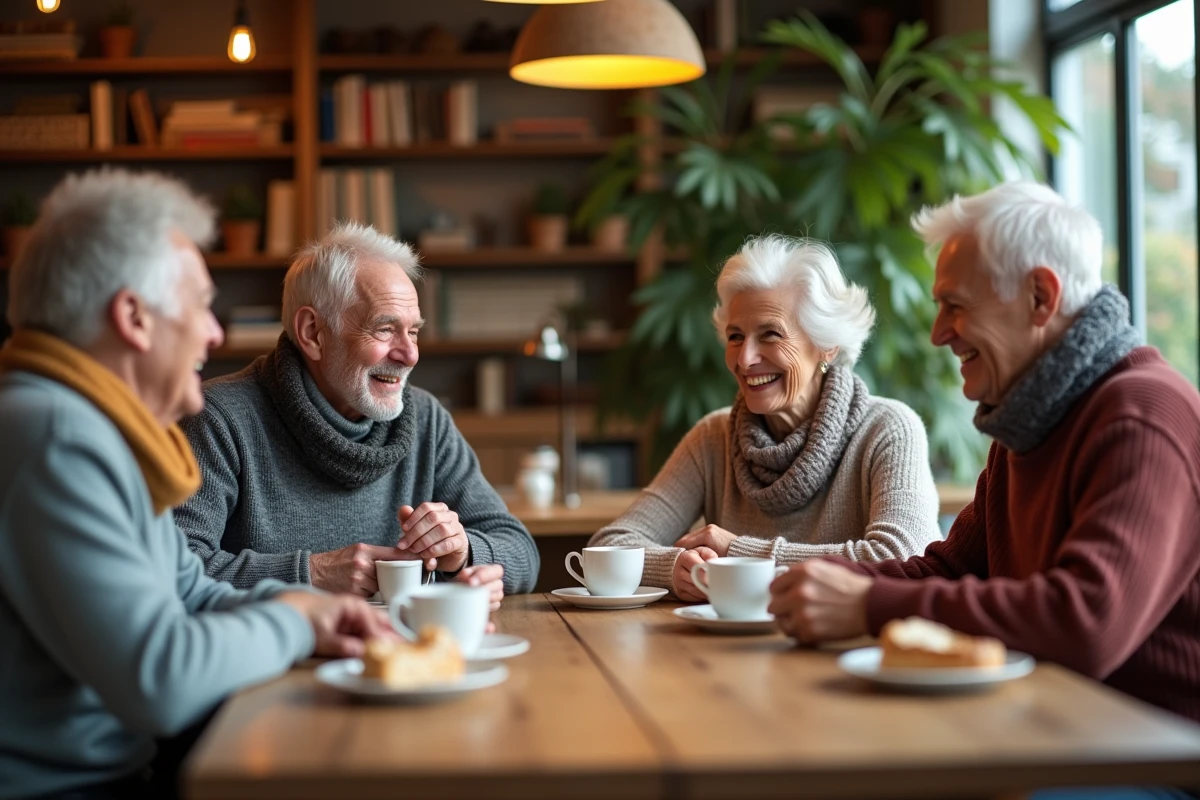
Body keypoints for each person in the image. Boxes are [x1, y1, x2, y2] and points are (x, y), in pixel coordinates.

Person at [0, 169, 394, 800]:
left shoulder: (96, 429)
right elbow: (161, 679)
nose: (214, 333)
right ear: (133, 316)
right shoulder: (56, 436)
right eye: (199, 305)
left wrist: (323, 613)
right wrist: (295, 618)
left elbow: (186, 590)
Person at [769, 182, 1200, 736]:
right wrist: (809, 582)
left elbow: (1085, 623)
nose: (937, 333)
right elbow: (949, 569)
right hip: (1055, 727)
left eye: (956, 305)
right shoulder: (1027, 416)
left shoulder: (1143, 412)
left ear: (1041, 297)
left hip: (1156, 754)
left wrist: (869, 604)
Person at [176, 222, 538, 602]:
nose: (410, 354)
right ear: (313, 333)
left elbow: (521, 551)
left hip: (401, 654)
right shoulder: (218, 418)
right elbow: (170, 571)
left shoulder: (427, 420)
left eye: (413, 332)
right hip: (275, 656)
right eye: (385, 329)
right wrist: (310, 574)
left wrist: (464, 552)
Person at [590, 234, 942, 600]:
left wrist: (739, 553)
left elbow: (905, 558)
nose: (744, 359)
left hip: (848, 652)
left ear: (826, 344)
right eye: (736, 336)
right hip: (725, 653)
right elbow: (612, 543)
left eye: (770, 334)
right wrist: (673, 567)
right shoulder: (713, 437)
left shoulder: (887, 428)